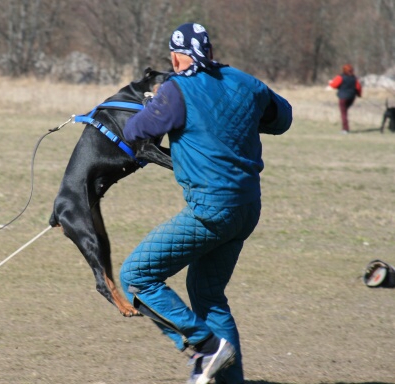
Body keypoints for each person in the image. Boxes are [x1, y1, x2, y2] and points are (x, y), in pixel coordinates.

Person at [119, 23, 292, 384]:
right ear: (210, 52)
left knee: (136, 276)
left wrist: (153, 104)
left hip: (211, 211)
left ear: (176, 57)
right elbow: (283, 118)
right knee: (209, 296)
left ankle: (204, 346)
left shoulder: (175, 90)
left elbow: (135, 131)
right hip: (247, 209)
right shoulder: (246, 83)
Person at [328, 64, 362, 133]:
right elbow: (358, 88)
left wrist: (330, 82)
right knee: (345, 112)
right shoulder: (354, 78)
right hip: (352, 97)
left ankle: (345, 129)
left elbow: (334, 85)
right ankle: (345, 128)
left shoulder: (340, 77)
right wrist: (359, 95)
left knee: (343, 113)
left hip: (343, 98)